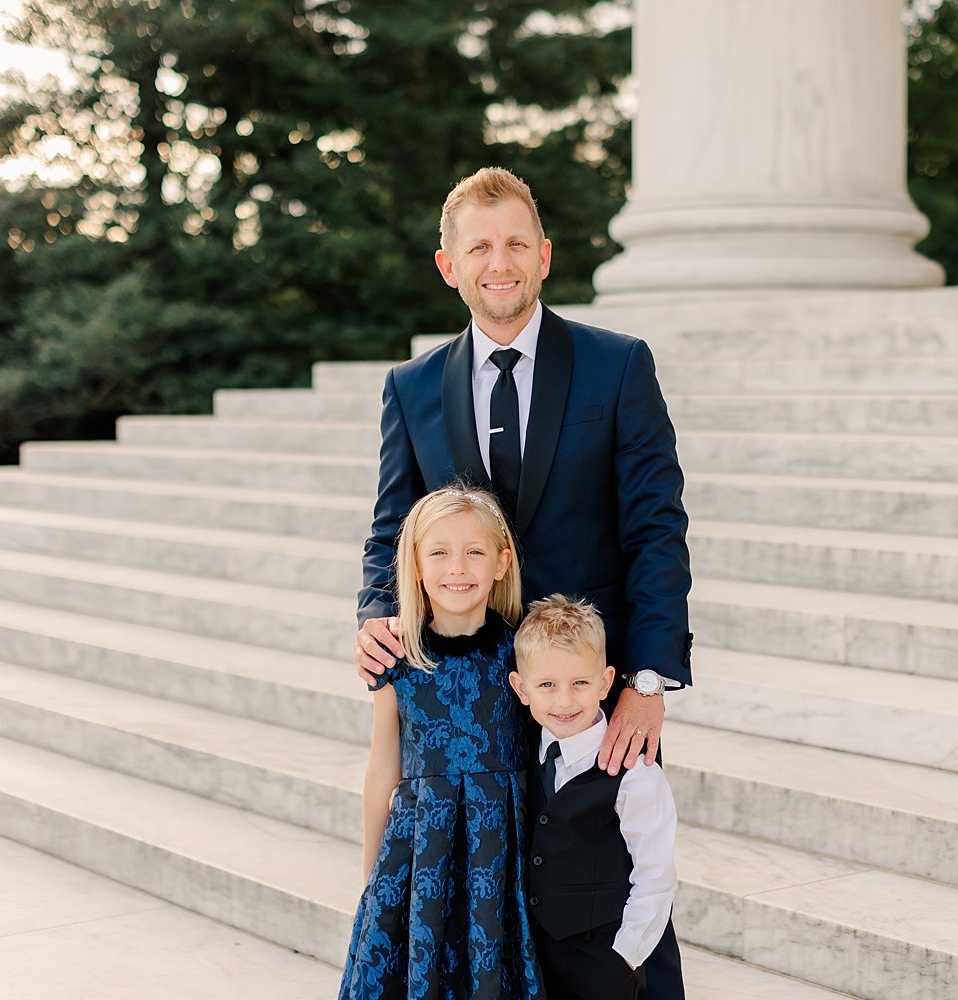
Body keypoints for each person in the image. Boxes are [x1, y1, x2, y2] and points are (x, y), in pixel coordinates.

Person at [352, 166, 691, 998]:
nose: (497, 262)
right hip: (466, 681)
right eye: (478, 248)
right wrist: (374, 611)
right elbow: (393, 523)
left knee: (607, 900)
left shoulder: (618, 368)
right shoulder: (413, 386)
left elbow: (656, 529)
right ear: (449, 265)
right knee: (489, 901)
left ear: (543, 255)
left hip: (583, 684)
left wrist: (646, 681)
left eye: (513, 244)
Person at [340, 486, 541, 1000]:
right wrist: (373, 876)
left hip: (501, 853)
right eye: (439, 553)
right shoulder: (396, 659)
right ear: (414, 565)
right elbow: (382, 766)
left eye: (474, 552)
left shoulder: (522, 652)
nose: (457, 568)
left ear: (502, 562)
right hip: (417, 852)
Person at [507, 595, 678, 1000]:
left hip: (604, 965)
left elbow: (655, 877)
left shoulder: (635, 773)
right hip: (539, 961)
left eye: (579, 683)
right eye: (547, 685)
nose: (564, 701)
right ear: (521, 688)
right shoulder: (524, 754)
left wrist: (625, 957)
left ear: (605, 682)